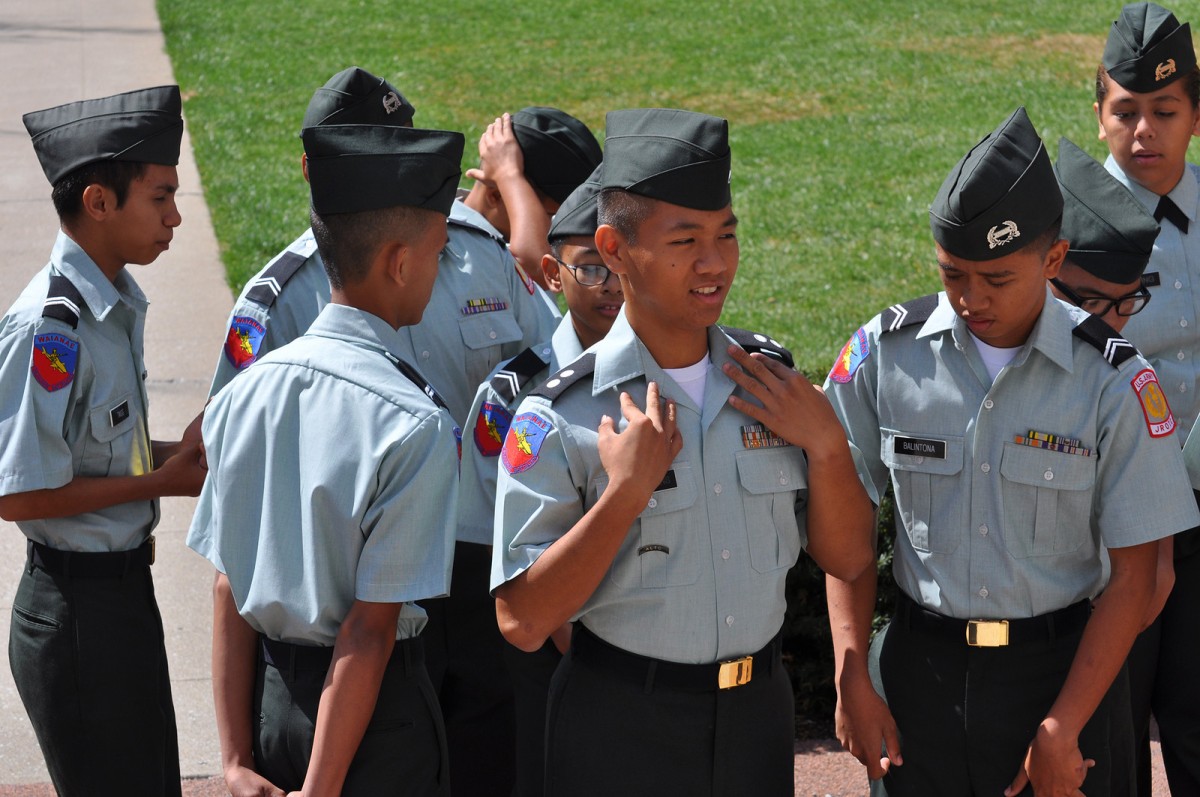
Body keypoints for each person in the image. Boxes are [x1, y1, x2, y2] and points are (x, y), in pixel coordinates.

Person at [491, 107, 875, 797]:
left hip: (757, 715)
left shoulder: (772, 385)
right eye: (686, 239)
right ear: (613, 247)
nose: (713, 262)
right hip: (620, 726)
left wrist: (827, 445)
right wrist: (624, 497)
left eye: (727, 235)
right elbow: (521, 620)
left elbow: (847, 558)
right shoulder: (558, 414)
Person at [823, 106, 1199, 797]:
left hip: (1059, 680)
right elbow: (843, 524)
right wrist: (851, 670)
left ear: (1054, 259)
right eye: (952, 274)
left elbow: (1137, 575)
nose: (971, 298)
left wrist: (1063, 725)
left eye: (997, 278)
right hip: (920, 681)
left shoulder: (1114, 382)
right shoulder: (883, 355)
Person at [186, 121, 465, 795]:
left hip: (271, 705)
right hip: (371, 725)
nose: (444, 267)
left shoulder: (243, 395)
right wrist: (322, 786)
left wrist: (233, 760)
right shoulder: (413, 423)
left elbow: (229, 586)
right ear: (399, 262)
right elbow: (368, 631)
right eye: (440, 251)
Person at [0, 85, 207, 795]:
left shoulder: (112, 301)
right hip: (77, 618)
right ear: (98, 202)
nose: (175, 216)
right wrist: (162, 482)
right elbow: (20, 492)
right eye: (160, 197)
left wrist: (174, 454)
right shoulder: (51, 327)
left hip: (118, 601)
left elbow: (90, 448)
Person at [459, 164, 619, 797]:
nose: (610, 287)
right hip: (549, 654)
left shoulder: (675, 368)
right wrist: (586, 651)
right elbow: (502, 546)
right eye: (590, 268)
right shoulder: (511, 395)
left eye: (620, 266)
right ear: (553, 274)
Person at [1094, 5, 1200, 794]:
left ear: (1196, 112)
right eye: (1125, 111)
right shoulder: (1064, 227)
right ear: (1098, 114)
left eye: (1164, 111)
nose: (1144, 132)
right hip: (1109, 516)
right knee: (1113, 725)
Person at [1050, 134, 1164, 797]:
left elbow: (1148, 572)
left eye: (1127, 303)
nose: (1113, 325)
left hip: (1096, 655)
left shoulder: (1127, 381)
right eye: (1094, 303)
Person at [461, 106, 602, 292]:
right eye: (551, 216)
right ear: (496, 195)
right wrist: (509, 175)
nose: (559, 231)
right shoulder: (450, 244)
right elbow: (539, 270)